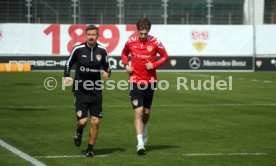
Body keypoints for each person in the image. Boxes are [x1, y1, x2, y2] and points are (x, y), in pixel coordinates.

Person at [121, 18, 169, 155]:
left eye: (145, 33)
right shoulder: (130, 41)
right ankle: (140, 143)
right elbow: (124, 54)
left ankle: (145, 127)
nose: (143, 36)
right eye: (141, 33)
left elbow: (165, 57)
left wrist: (154, 65)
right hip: (135, 80)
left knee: (146, 113)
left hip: (150, 81)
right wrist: (126, 64)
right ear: (137, 31)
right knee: (138, 111)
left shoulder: (155, 42)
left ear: (148, 31)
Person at [64, 24, 111, 157]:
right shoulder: (78, 49)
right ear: (86, 35)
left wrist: (108, 74)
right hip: (80, 91)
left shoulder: (102, 50)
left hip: (96, 91)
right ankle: (79, 131)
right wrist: (66, 76)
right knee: (83, 121)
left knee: (95, 121)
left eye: (94, 35)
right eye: (89, 35)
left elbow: (108, 67)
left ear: (97, 36)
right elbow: (68, 63)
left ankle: (90, 148)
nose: (91, 37)